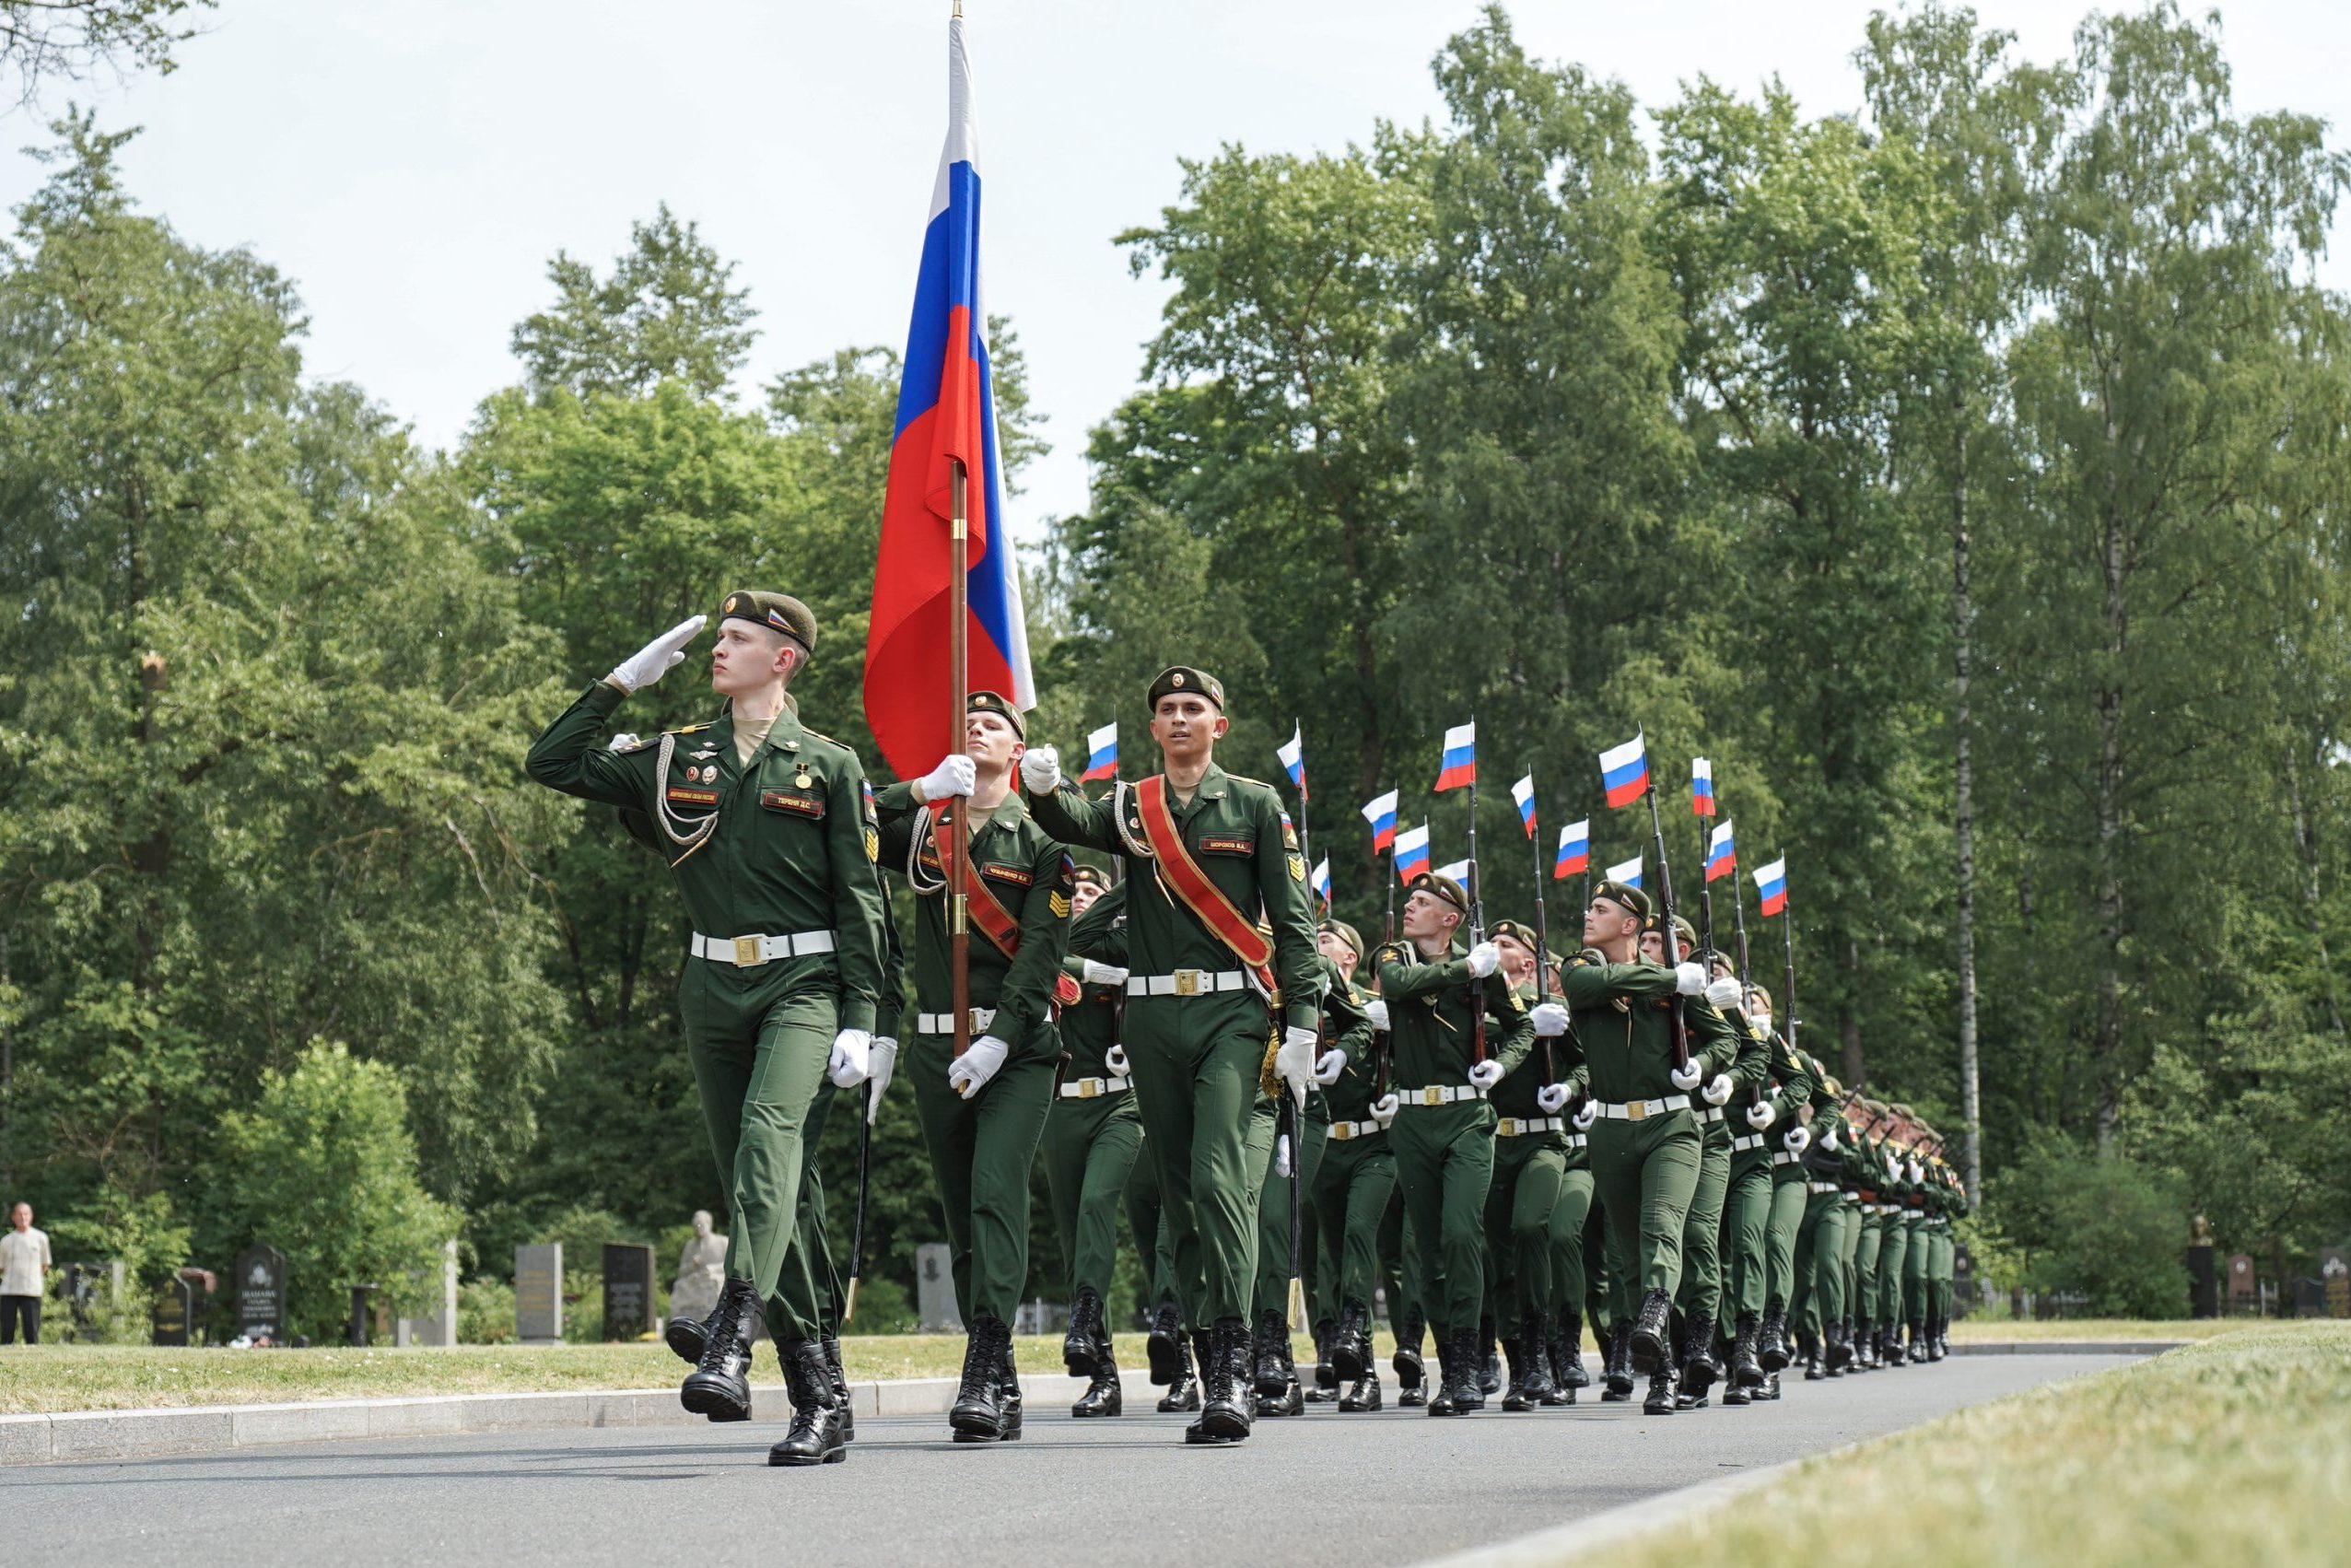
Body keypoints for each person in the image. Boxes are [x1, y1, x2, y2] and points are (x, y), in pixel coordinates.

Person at [525, 593, 887, 1468]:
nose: (717, 650)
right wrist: (622, 682)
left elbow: (863, 900)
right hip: (711, 984)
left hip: (803, 982)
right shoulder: (678, 754)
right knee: (773, 1190)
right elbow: (551, 762)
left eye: (737, 639)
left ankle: (735, 1323)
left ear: (784, 658)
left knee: (769, 1141)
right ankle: (821, 1398)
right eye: (718, 638)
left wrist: (865, 1019)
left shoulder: (829, 766)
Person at [1023, 666, 1320, 1445]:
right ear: (1152, 729)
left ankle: (1232, 1364)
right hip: (1151, 1014)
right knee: (1182, 1192)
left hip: (1231, 1009)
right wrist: (1044, 788)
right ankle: (1203, 1348)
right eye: (1166, 711)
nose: (1180, 718)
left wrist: (1304, 1025)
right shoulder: (1132, 805)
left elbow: (1291, 922)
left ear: (1219, 724)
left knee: (1221, 1175)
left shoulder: (1254, 803)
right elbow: (1075, 823)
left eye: (1194, 708)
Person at [872, 689, 1073, 1443]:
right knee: (961, 1216)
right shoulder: (926, 828)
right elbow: (850, 818)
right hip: (937, 1047)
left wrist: (1003, 1037)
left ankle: (983, 1360)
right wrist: (919, 790)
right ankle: (1001, 1369)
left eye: (992, 724)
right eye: (967, 723)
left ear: (1016, 749)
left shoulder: (1044, 845)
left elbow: (1043, 955)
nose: (976, 730)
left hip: (1014, 1050)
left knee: (995, 1193)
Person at [1556, 879, 1747, 1416]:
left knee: (1665, 1227)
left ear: (1631, 924)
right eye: (1589, 907)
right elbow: (1592, 987)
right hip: (1611, 1129)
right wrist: (1671, 977)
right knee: (1631, 1254)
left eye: (1600, 909)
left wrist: (1700, 1067)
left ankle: (1663, 1318)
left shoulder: (1676, 990)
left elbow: (1726, 1039)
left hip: (1672, 1125)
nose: (1588, 916)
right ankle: (1664, 1372)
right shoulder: (1580, 969)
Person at [1373, 872, 1535, 1415]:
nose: (1410, 907)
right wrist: (1466, 968)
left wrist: (1501, 1065)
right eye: (1410, 900)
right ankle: (1453, 1364)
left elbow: (1522, 1030)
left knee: (1463, 1233)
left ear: (1450, 919)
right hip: (1414, 1117)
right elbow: (1398, 987)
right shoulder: (1395, 956)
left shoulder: (1482, 969)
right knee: (1429, 1250)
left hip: (1467, 1114)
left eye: (1423, 902)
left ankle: (1469, 1358)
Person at [1249, 915, 1372, 1416]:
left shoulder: (1311, 962)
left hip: (1299, 1108)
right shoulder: (1221, 952)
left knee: (1276, 1222)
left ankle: (1275, 1355)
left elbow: (1358, 1020)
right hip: (1239, 1104)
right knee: (1243, 1226)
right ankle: (1242, 1351)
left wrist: (1342, 1053)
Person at [1042, 866, 1144, 1416]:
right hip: (1060, 1105)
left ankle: (1083, 1312)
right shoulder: (1048, 937)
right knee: (1068, 1235)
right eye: (1072, 891)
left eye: (1091, 892)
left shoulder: (1123, 941)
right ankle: (1102, 1371)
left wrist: (1136, 853)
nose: (1080, 897)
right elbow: (1041, 957)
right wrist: (1090, 969)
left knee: (1096, 1203)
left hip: (1118, 1102)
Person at [1306, 918, 1397, 1411]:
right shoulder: (1303, 1004)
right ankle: (1330, 1351)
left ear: (1348, 958)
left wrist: (1397, 1088)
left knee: (1360, 1233)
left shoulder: (1371, 1008)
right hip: (1322, 1146)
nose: (1317, 945)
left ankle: (1360, 1357)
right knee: (1328, 1252)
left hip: (1372, 1147)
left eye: (1327, 941)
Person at [1481, 919, 1571, 1410]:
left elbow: (1582, 1063)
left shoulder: (1551, 1010)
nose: (1495, 949)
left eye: (1506, 945)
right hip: (1491, 1142)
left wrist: (1570, 1090)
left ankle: (1544, 1350)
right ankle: (1521, 1367)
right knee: (1500, 1258)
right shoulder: (1477, 1002)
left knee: (1530, 1227)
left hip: (1542, 1141)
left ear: (1528, 963)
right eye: (1491, 943)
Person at [1713, 974, 1814, 1405]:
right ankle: (1730, 1347)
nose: (1749, 1011)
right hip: (1722, 1155)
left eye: (1756, 1005)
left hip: (1779, 1168)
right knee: (1721, 1255)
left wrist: (1797, 1124)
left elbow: (1815, 1097)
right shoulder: (1716, 1037)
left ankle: (1770, 1336)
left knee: (1769, 1245)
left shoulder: (1780, 1051)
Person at [1, 1203, 51, 1345]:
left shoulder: (41, 1238)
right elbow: (1, 1267)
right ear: (13, 1217)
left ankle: (33, 1351)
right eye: (19, 1214)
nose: (23, 1217)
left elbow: (45, 1265)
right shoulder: (6, 1241)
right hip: (9, 1289)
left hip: (31, 1289)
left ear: (31, 1216)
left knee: (31, 1328)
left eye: (26, 1214)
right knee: (7, 1328)